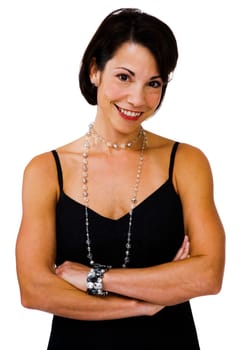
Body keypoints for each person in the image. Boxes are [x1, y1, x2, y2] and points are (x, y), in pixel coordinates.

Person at [15, 8, 225, 350]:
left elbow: (208, 274)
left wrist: (91, 277)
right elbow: (34, 289)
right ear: (95, 70)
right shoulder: (45, 170)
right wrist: (143, 305)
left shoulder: (186, 162)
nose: (137, 99)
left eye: (153, 83)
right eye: (124, 77)